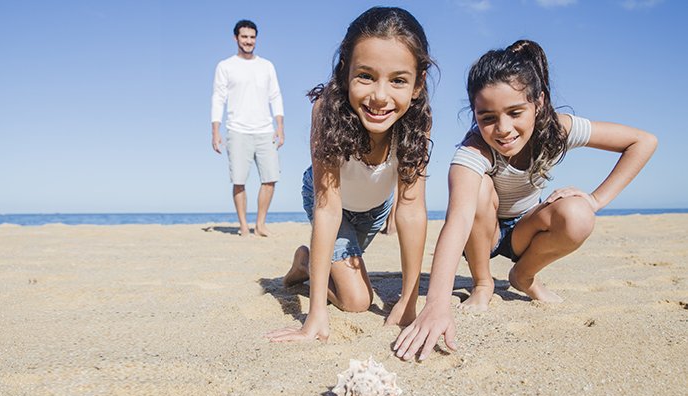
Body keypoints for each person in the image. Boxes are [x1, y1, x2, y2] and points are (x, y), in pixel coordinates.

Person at [394, 39, 657, 361]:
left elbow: (642, 141)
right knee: (477, 190)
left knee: (578, 215)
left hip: (525, 229)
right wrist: (437, 304)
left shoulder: (558, 130)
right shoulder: (472, 153)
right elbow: (457, 221)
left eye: (515, 112)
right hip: (483, 233)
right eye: (487, 117)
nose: (503, 129)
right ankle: (482, 283)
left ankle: (524, 276)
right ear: (474, 112)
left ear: (539, 103)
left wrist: (595, 200)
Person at [265, 7, 434, 342]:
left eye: (398, 80)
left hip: (375, 210)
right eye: (366, 76)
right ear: (345, 73)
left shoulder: (418, 121)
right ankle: (310, 266)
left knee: (349, 280)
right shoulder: (326, 110)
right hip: (329, 201)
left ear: (417, 85)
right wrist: (315, 315)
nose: (380, 96)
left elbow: (411, 209)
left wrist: (409, 300)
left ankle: (307, 263)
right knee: (357, 301)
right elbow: (328, 207)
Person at [211, 19, 285, 237]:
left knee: (270, 178)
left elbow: (275, 96)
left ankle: (260, 224)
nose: (248, 41)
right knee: (239, 180)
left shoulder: (266, 66)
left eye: (252, 37)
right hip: (237, 130)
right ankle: (243, 225)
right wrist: (215, 130)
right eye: (244, 37)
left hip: (265, 129)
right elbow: (218, 99)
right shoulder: (225, 66)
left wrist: (280, 126)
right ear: (236, 38)